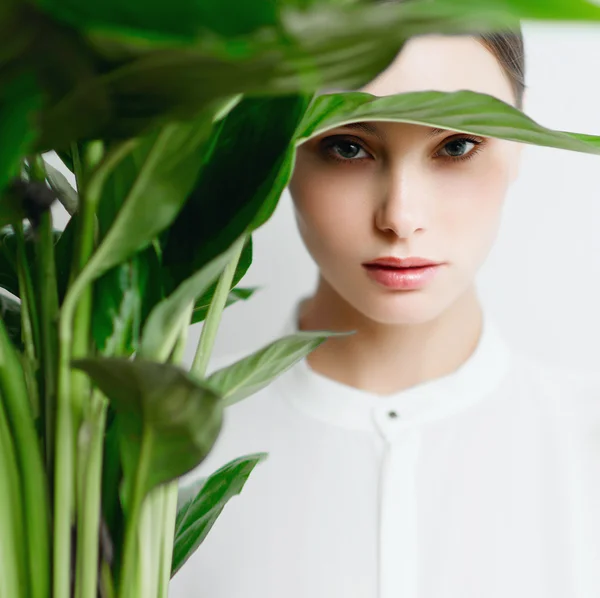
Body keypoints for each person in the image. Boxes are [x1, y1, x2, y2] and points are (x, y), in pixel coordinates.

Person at [169, 19, 600, 598]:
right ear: (278, 151)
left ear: (520, 140)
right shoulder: (146, 453)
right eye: (347, 146)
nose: (400, 215)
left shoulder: (583, 446)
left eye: (456, 144)